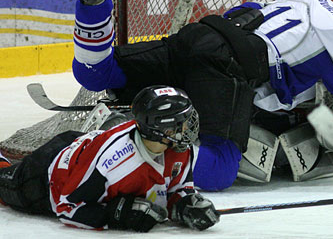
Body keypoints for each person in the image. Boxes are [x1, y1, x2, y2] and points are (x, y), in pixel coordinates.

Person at [46, 0, 333, 190]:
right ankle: (127, 162)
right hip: (225, 67)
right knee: (219, 170)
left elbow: (245, 12)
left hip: (201, 35)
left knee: (98, 73)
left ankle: (93, 3)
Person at [0, 85, 220, 232]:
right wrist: (117, 215)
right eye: (180, 122)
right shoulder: (114, 163)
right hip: (48, 177)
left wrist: (186, 205)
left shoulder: (179, 148)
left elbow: (176, 190)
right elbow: (66, 206)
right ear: (161, 128)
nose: (187, 127)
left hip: (84, 150)